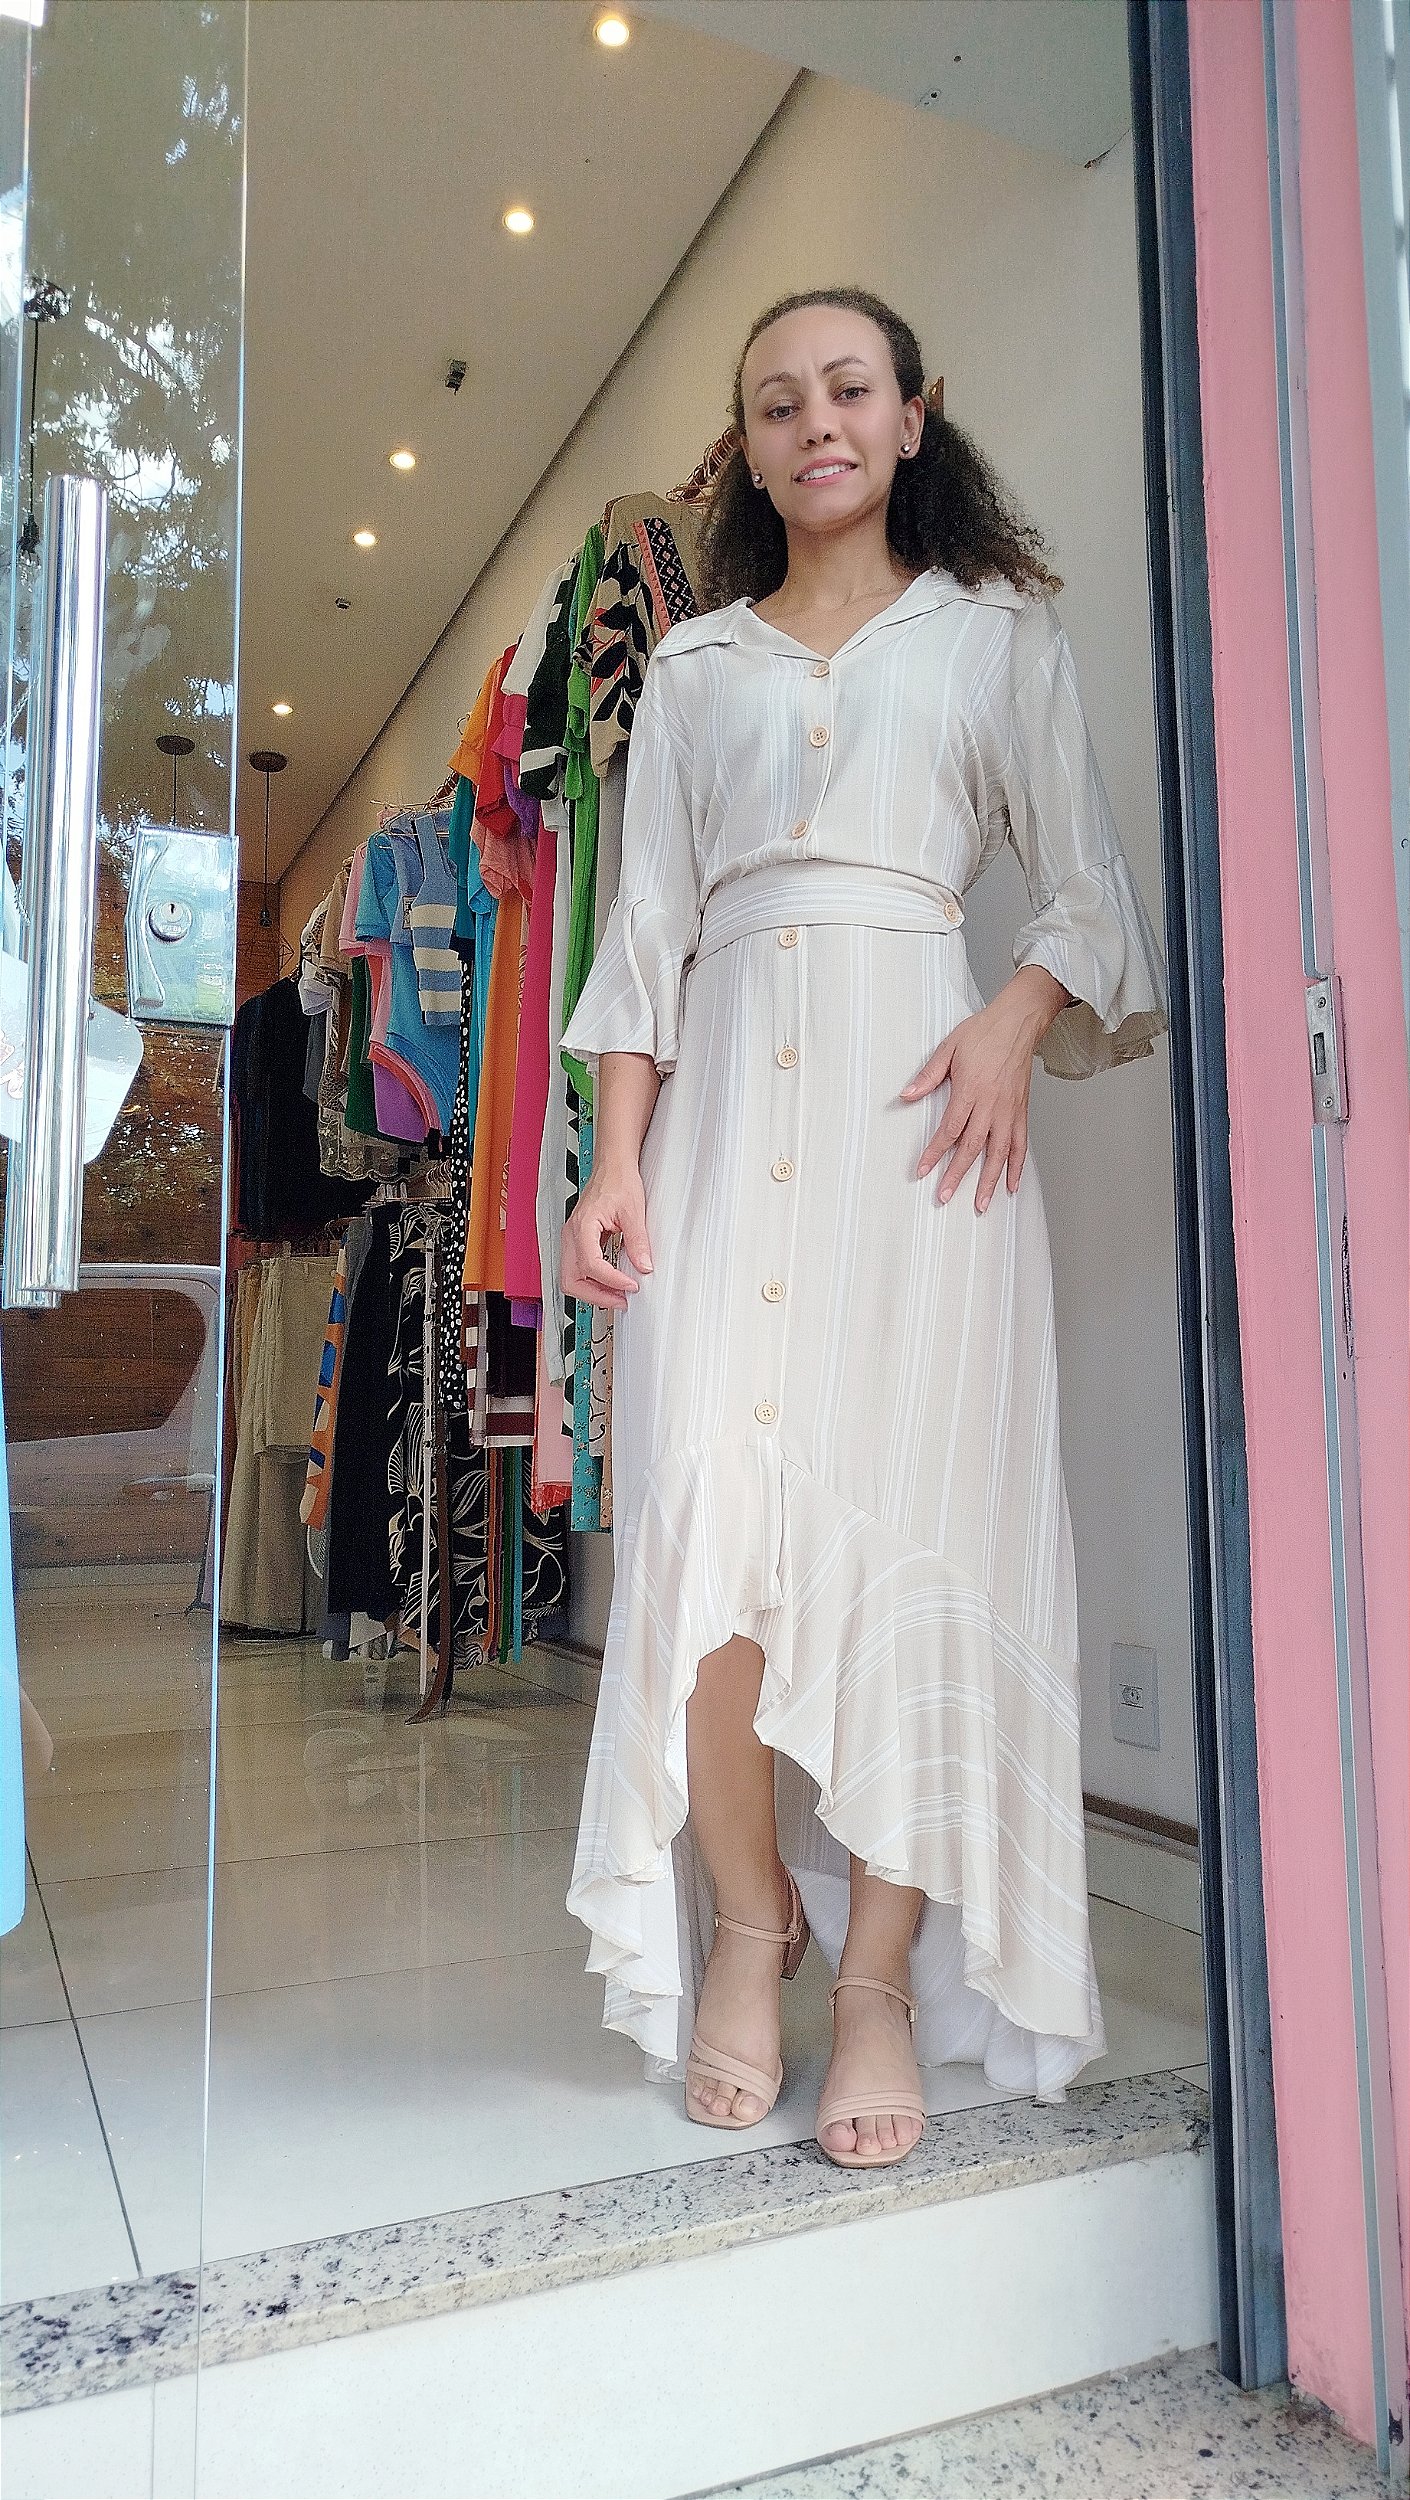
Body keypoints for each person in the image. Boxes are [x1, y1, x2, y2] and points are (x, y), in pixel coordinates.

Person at [559, 285, 1170, 2172]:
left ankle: (883, 1974)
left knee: (921, 1525)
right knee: (706, 1526)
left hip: (923, 1141)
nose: (814, 422)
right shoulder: (692, 670)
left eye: (847, 389)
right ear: (745, 450)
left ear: (913, 415)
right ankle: (755, 1924)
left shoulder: (994, 638)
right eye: (776, 402)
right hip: (722, 1126)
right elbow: (641, 941)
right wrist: (612, 1161)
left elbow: (1087, 890)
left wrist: (1010, 1016)